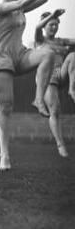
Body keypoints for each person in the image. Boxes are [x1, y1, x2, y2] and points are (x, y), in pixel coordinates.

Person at [0, 0, 59, 171]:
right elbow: (20, 3)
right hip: (1, 60)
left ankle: (38, 98)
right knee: (6, 106)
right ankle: (4, 155)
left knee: (48, 54)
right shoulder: (0, 8)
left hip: (19, 55)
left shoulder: (20, 10)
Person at [34, 9, 75, 157]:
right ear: (45, 26)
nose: (54, 27)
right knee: (55, 110)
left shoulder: (61, 41)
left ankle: (72, 89)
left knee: (72, 56)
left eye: (56, 24)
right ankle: (60, 144)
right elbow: (37, 28)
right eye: (51, 24)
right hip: (47, 78)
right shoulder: (40, 40)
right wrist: (52, 15)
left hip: (61, 75)